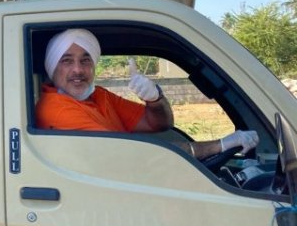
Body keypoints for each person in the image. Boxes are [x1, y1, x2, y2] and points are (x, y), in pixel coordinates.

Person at [34, 28, 259, 160]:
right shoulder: (55, 107)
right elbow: (133, 155)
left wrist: (154, 98)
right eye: (66, 61)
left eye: (85, 60)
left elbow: (160, 124)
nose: (78, 70)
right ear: (52, 67)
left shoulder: (99, 96)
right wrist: (220, 146)